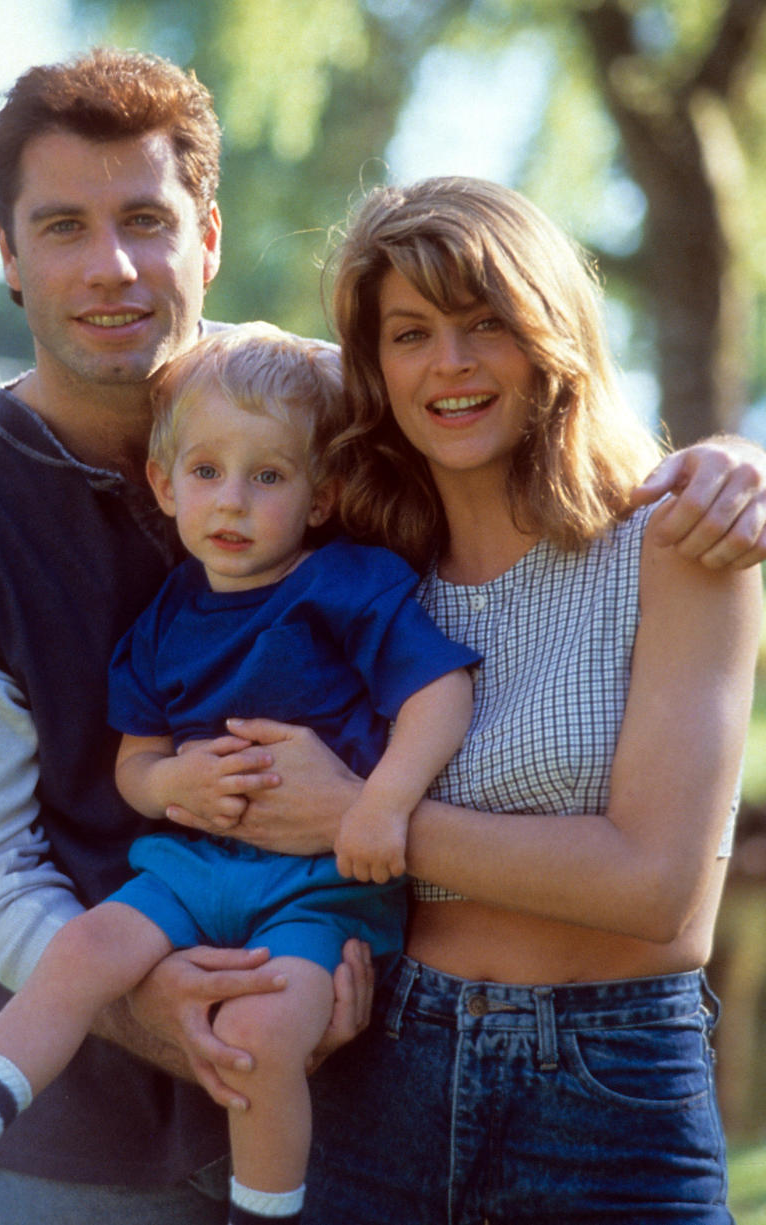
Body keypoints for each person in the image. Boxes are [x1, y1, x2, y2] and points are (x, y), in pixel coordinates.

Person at [0, 44, 766, 1225]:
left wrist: (734, 461)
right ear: (10, 257)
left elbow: (536, 433)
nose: (112, 265)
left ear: (207, 238)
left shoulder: (338, 429)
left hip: (393, 1060)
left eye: (146, 219)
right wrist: (153, 991)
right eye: (62, 226)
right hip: (110, 1122)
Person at [187, 178, 759, 1225]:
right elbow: (204, 387)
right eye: (410, 333)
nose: (448, 363)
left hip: (612, 1086)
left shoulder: (677, 544)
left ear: (550, 332)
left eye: (483, 322)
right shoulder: (355, 566)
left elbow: (655, 885)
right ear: (377, 367)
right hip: (381, 1062)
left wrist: (361, 815)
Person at [0, 323, 478, 1225]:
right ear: (165, 485)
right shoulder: (171, 611)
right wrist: (173, 786)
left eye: (269, 476)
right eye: (207, 472)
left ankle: (265, 1211)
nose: (233, 501)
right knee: (85, 949)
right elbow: (134, 761)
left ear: (321, 495)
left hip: (318, 889)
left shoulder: (347, 583)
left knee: (260, 1040)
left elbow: (439, 690)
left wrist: (382, 803)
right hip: (195, 866)